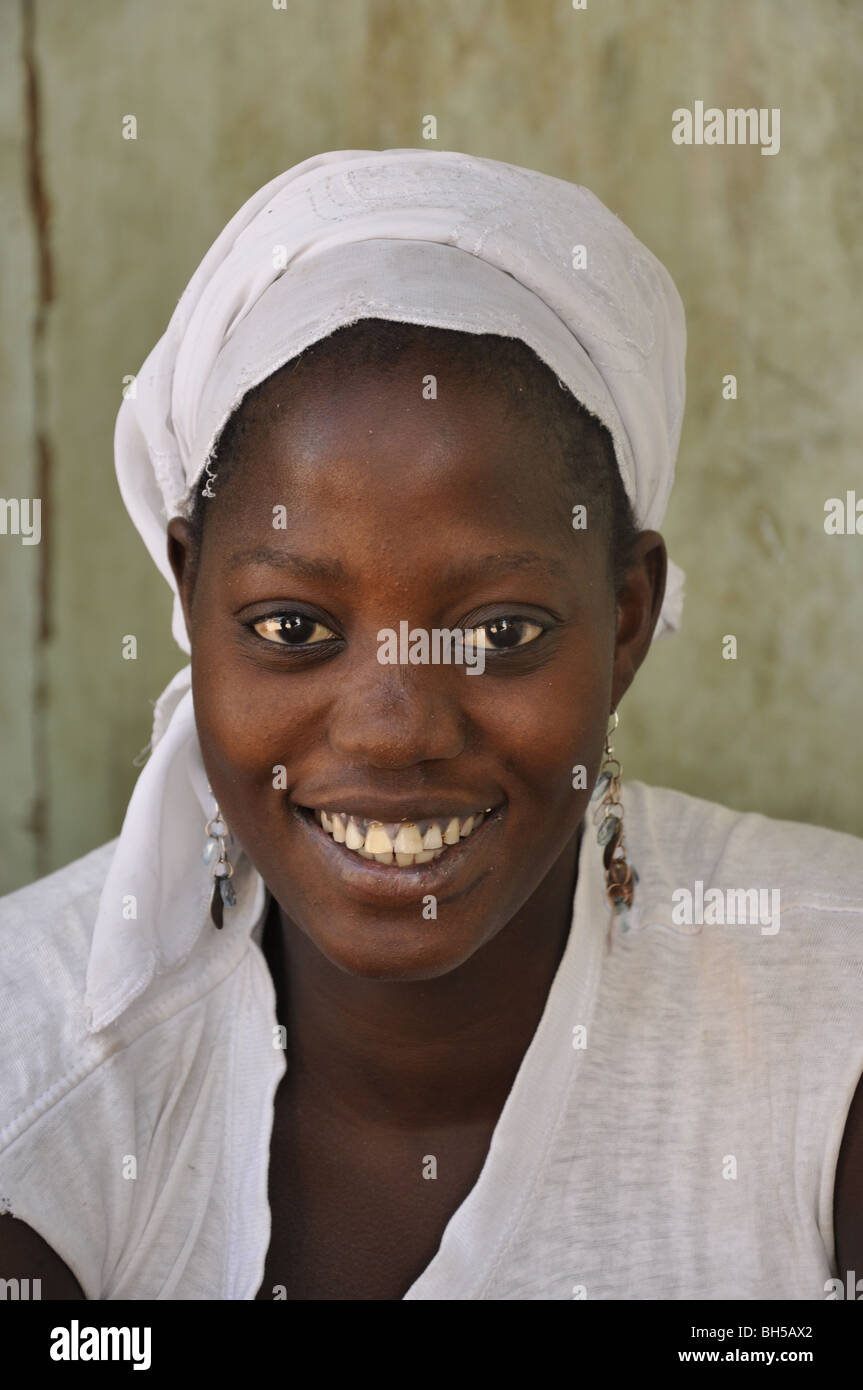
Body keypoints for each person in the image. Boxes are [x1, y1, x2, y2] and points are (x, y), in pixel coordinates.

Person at [1, 149, 862, 1301]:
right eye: (294, 626)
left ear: (624, 622)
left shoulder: (825, 1008)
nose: (394, 727)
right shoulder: (37, 1074)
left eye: (499, 634)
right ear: (189, 598)